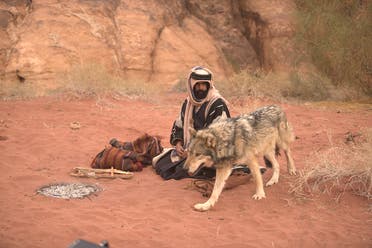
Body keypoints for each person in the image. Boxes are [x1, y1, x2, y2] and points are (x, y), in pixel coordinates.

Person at [153, 66, 230, 180]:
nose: (201, 88)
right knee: (161, 163)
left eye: (204, 85)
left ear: (209, 85)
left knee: (180, 170)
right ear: (191, 85)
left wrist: (192, 152)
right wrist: (179, 144)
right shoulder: (188, 103)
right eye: (197, 85)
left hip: (211, 154)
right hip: (188, 149)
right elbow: (179, 124)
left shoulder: (217, 104)